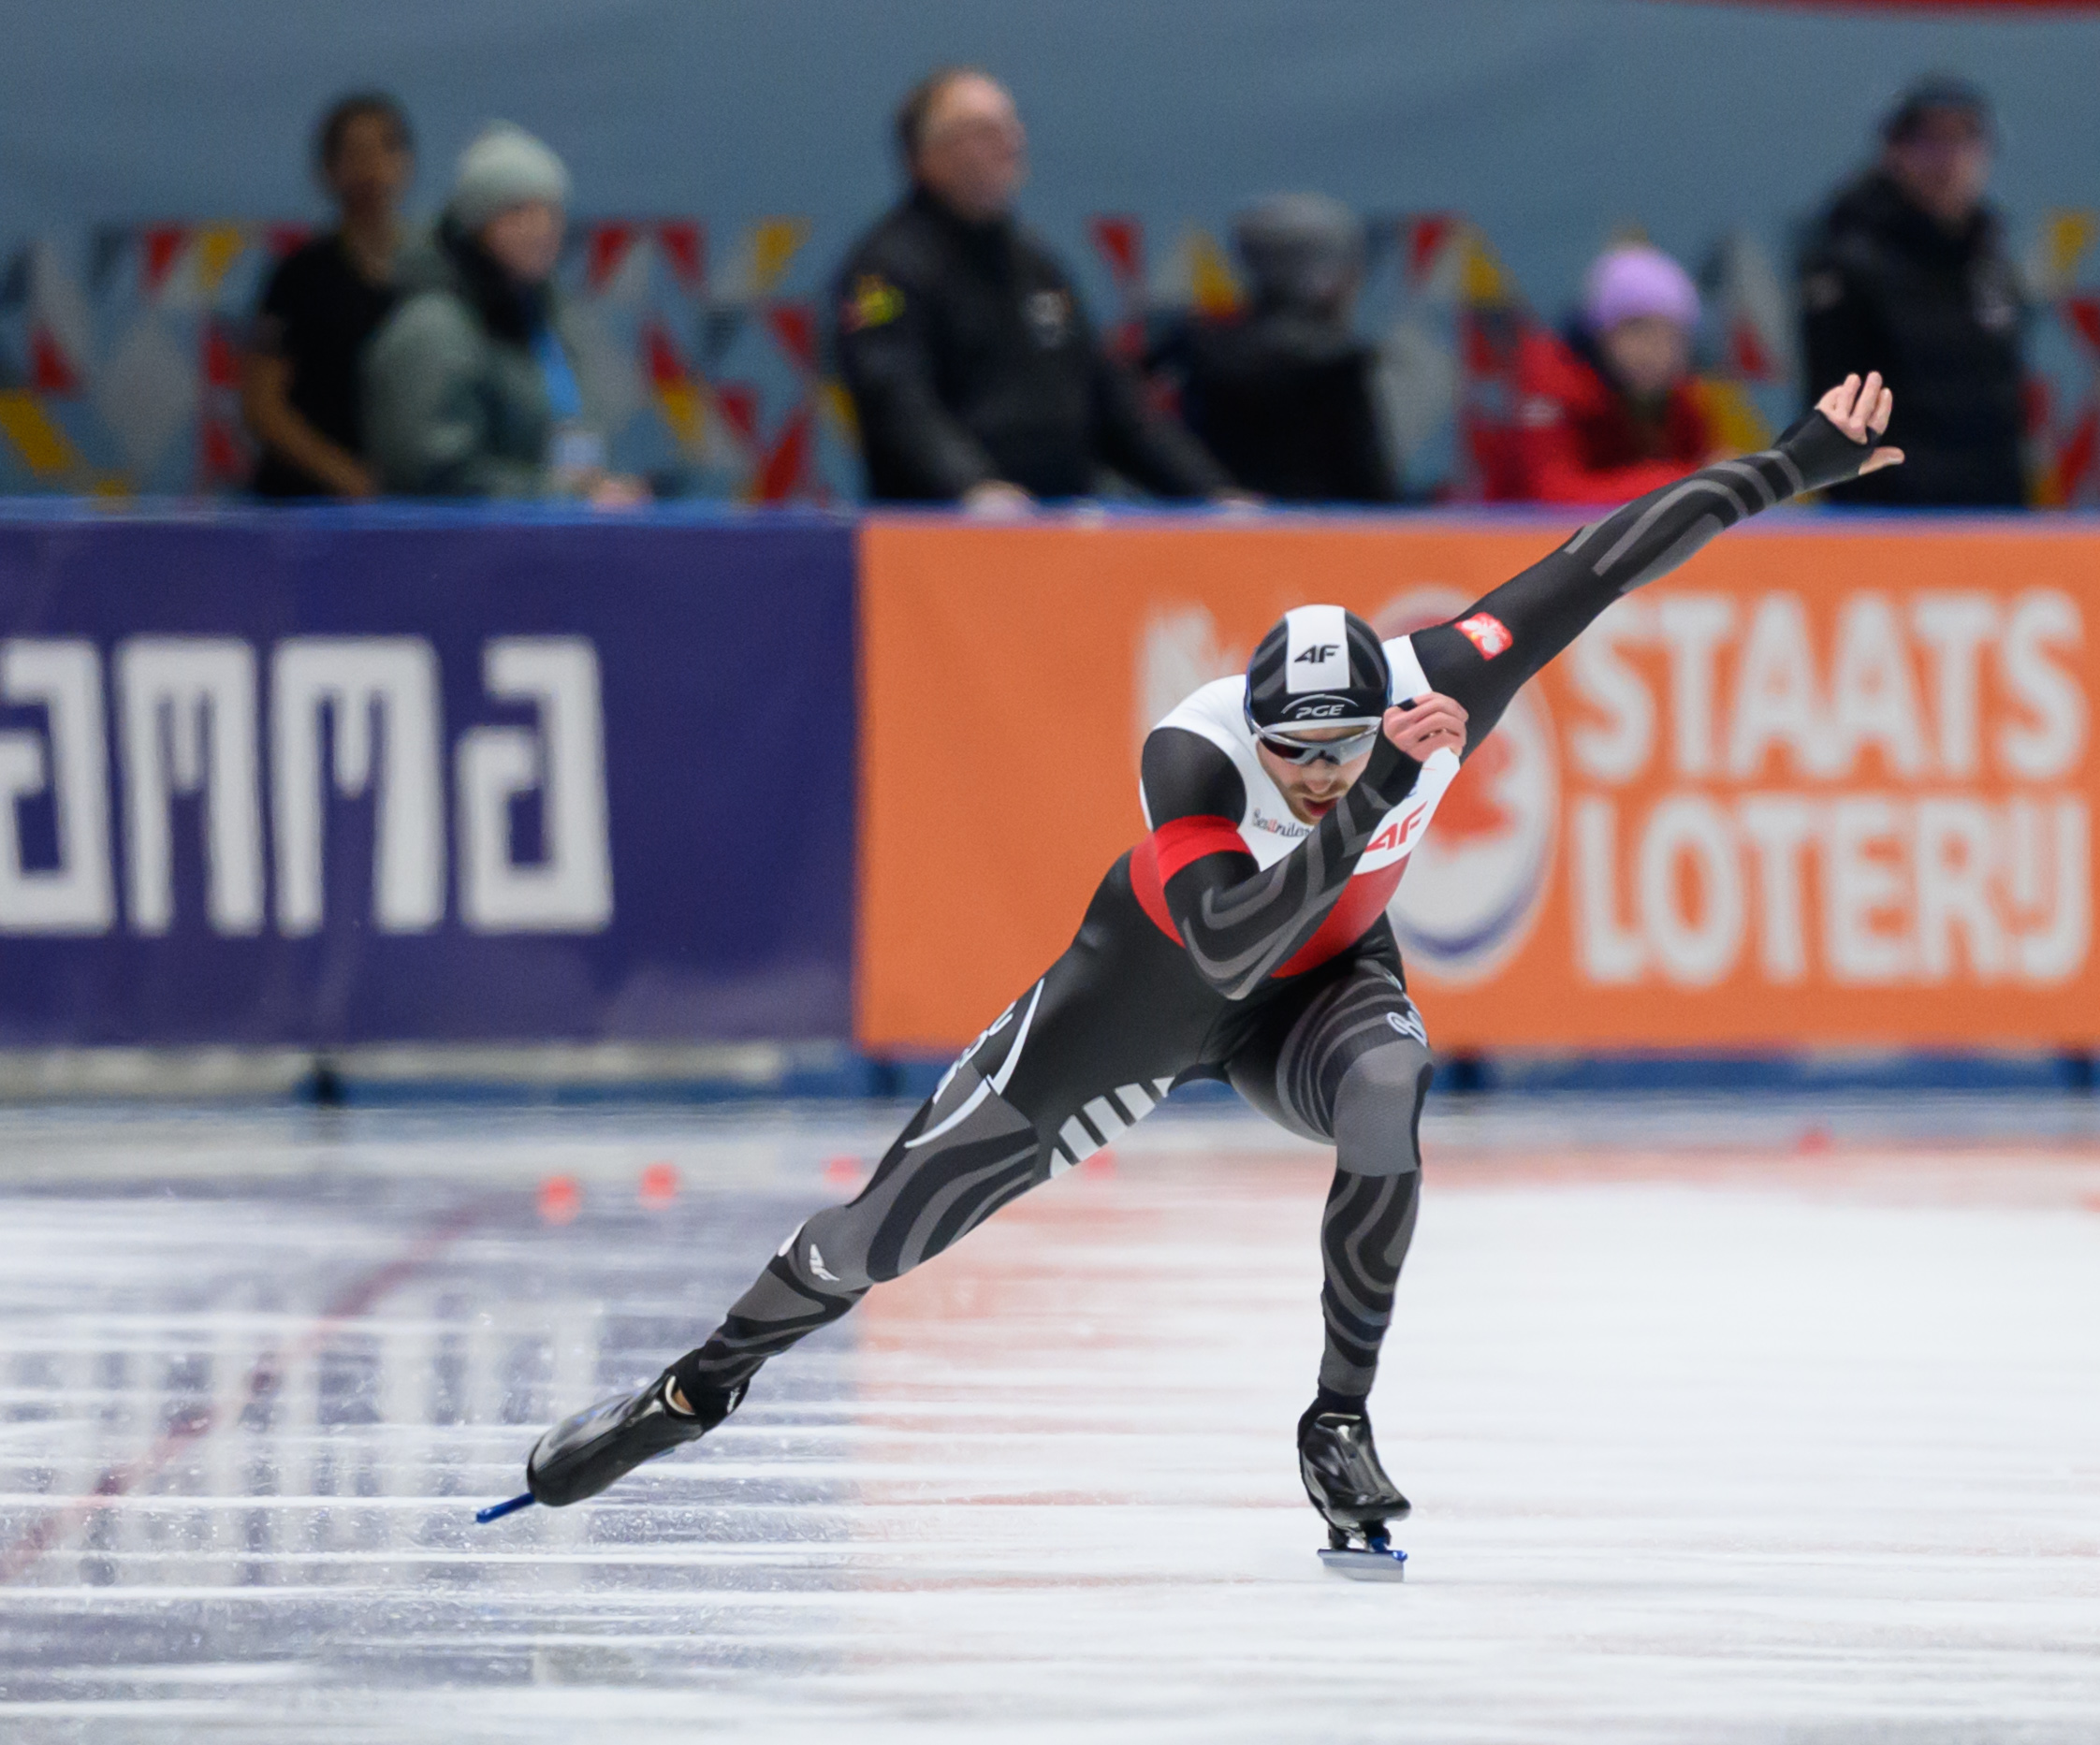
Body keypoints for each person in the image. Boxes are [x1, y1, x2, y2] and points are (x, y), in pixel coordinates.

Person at [503, 372, 1905, 1569]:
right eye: (1290, 753)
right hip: (1145, 997)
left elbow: (1602, 559)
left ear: (1379, 707)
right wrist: (1370, 802)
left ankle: (1338, 1418)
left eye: (1338, 750)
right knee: (878, 1237)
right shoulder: (1194, 754)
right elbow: (1229, 938)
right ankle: (698, 1384)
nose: (1311, 774)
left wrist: (1796, 461)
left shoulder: (1444, 683)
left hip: (1324, 978)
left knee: (1390, 1081)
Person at [832, 66, 1233, 512]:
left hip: (1058, 535)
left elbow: (1114, 405)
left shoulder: (1039, 268)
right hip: (941, 539)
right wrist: (975, 489)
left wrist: (1214, 499)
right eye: (982, 130)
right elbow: (893, 397)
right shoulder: (880, 273)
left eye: (1012, 125)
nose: (1010, 143)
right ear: (924, 157)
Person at [361, 123, 644, 503]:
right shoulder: (432, 328)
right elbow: (436, 477)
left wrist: (588, 491)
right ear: (476, 226)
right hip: (453, 557)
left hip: (534, 550)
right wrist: (566, 496)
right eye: (517, 211)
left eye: (550, 211)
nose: (540, 228)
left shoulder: (548, 322)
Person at [1799, 75, 2025, 507]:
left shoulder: (1991, 259)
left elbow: (2006, 409)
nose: (1948, 161)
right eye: (1930, 142)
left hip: (1992, 518)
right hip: (1888, 524)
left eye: (1964, 142)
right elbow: (1838, 418)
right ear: (1894, 153)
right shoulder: (1849, 264)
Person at [1156, 193, 1395, 503]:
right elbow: (1372, 487)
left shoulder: (1198, 349)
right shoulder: (1338, 366)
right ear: (1321, 273)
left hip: (1217, 534)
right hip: (1325, 540)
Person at [242, 93, 414, 500]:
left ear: (406, 162)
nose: (372, 168)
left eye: (384, 150)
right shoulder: (299, 276)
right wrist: (344, 474)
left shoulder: (435, 275)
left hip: (405, 503)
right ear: (328, 171)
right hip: (304, 503)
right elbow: (262, 406)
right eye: (355, 153)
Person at [1506, 243, 1719, 505]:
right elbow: (1552, 494)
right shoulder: (1550, 379)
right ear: (1601, 332)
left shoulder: (1681, 397)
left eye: (1673, 337)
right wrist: (1686, 482)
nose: (1656, 350)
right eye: (1637, 329)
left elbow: (1699, 478)